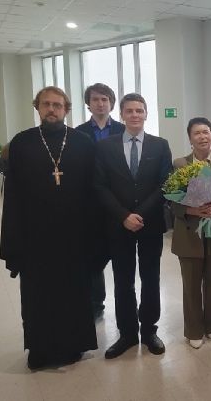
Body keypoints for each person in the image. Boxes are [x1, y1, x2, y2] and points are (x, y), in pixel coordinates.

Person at [0, 86, 98, 370]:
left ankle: (74, 345)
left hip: (74, 236)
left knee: (74, 293)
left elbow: (94, 192)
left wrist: (96, 237)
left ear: (66, 109)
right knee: (37, 296)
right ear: (38, 108)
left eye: (57, 105)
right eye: (46, 104)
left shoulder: (83, 143)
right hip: (35, 238)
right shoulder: (22, 143)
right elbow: (13, 195)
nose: (52, 110)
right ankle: (39, 349)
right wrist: (13, 241)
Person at [94, 93, 172, 359]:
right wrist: (124, 216)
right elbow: (100, 186)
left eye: (139, 110)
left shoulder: (160, 145)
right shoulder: (106, 147)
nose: (135, 115)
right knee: (123, 280)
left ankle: (149, 330)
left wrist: (139, 214)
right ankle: (127, 333)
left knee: (151, 278)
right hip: (119, 225)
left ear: (146, 114)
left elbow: (165, 184)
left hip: (150, 224)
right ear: (122, 115)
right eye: (130, 111)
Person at [171, 118, 211, 349]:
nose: (202, 137)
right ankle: (194, 330)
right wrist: (191, 209)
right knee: (191, 285)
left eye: (206, 132)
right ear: (190, 138)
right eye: (197, 133)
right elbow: (172, 200)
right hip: (189, 233)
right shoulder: (180, 164)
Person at [75, 83, 125, 320]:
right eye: (95, 99)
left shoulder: (123, 130)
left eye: (105, 99)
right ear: (88, 104)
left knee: (121, 257)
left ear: (111, 103)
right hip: (91, 203)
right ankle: (96, 303)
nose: (100, 103)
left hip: (119, 201)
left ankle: (125, 304)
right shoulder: (78, 133)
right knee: (93, 256)